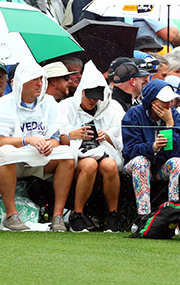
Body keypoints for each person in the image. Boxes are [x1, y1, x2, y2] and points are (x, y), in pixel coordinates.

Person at [0, 60, 75, 232]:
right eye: (34, 79)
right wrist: (27, 140)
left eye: (41, 79)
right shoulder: (2, 105)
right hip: (12, 161)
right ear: (22, 82)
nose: (39, 84)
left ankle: (58, 216)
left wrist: (49, 145)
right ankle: (11, 215)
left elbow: (55, 137)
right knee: (4, 153)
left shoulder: (49, 103)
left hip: (39, 158)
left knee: (66, 154)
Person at [58, 61, 125, 232]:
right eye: (90, 97)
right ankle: (77, 214)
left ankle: (113, 214)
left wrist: (107, 137)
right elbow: (58, 137)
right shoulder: (65, 107)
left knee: (110, 165)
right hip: (76, 156)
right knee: (89, 164)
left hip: (103, 152)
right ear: (81, 92)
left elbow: (121, 138)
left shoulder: (112, 108)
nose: (93, 101)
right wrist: (73, 135)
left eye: (97, 97)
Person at [121, 79, 180, 217]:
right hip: (136, 167)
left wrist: (169, 124)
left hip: (160, 168)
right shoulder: (134, 115)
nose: (168, 105)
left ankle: (173, 216)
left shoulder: (174, 115)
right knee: (141, 162)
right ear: (152, 102)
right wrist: (152, 147)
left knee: (178, 163)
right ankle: (144, 217)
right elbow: (129, 151)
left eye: (169, 101)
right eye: (164, 101)